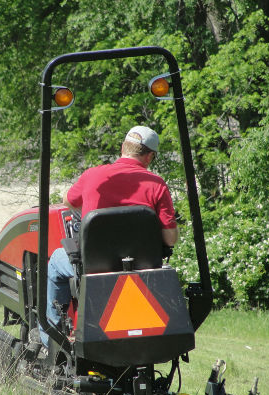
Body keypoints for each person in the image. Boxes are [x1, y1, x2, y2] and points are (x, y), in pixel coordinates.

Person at [39, 125, 178, 347]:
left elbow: (68, 201)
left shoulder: (94, 175)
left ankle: (53, 339)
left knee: (55, 262)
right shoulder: (157, 185)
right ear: (150, 156)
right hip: (141, 268)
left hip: (94, 267)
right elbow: (170, 239)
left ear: (123, 147)